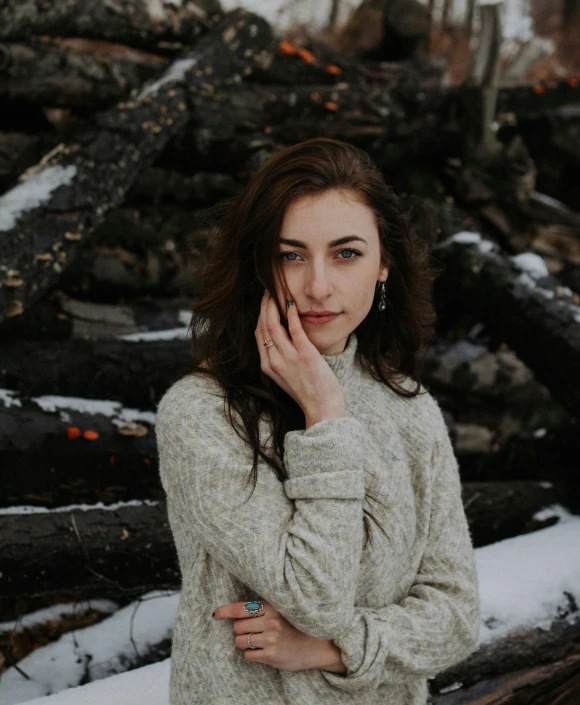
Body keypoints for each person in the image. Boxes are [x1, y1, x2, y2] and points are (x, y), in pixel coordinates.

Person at [155, 137, 480, 705]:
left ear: (384, 267)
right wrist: (326, 416)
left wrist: (336, 648)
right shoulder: (201, 415)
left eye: (346, 253)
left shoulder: (410, 410)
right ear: (259, 265)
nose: (318, 287)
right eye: (291, 255)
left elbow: (456, 615)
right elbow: (316, 598)